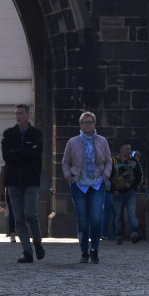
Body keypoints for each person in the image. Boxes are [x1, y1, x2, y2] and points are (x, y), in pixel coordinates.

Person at [62, 111, 112, 264]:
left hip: (97, 184)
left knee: (96, 219)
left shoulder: (102, 141)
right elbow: (65, 162)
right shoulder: (72, 142)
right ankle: (84, 251)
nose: (88, 125)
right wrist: (69, 176)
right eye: (85, 122)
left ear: (94, 124)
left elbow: (109, 161)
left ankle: (94, 249)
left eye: (90, 122)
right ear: (80, 125)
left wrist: (105, 176)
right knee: (83, 221)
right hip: (79, 185)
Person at [2, 103, 45, 263]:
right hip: (13, 181)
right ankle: (27, 251)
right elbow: (7, 156)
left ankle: (38, 242)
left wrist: (17, 153)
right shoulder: (9, 134)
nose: (18, 116)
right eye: (16, 114)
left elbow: (36, 153)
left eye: (20, 113)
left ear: (28, 115)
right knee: (19, 218)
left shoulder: (36, 134)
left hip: (31, 180)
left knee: (30, 214)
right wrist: (25, 153)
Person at [111, 142, 144, 244]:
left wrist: (136, 187)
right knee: (118, 215)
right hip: (118, 192)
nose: (128, 151)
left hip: (130, 191)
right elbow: (109, 176)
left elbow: (139, 175)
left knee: (131, 212)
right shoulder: (114, 161)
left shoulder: (134, 161)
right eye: (126, 149)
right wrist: (113, 189)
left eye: (129, 149)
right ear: (121, 150)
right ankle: (119, 235)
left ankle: (134, 233)